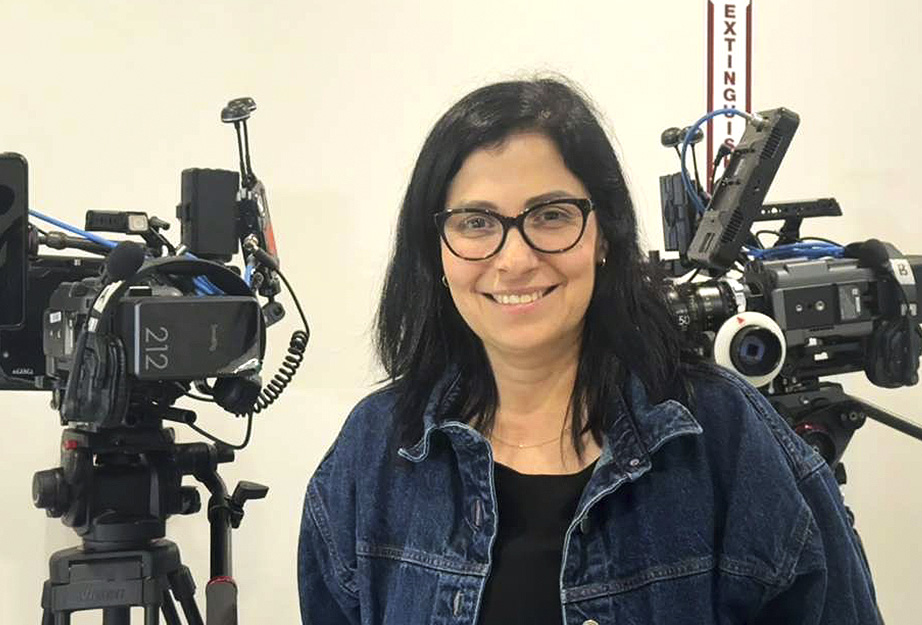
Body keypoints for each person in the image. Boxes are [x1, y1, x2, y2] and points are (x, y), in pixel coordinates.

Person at [298, 76, 881, 624]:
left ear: (605, 234)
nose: (515, 259)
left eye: (551, 215)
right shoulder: (373, 452)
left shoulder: (726, 436)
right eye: (476, 222)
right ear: (437, 251)